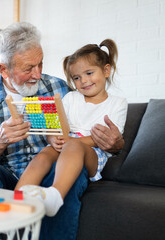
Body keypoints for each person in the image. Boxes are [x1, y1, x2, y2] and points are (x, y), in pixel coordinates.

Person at [0, 22, 124, 240]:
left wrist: (115, 143)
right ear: (4, 69)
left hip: (51, 178)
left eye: (40, 64)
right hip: (9, 179)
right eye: (29, 68)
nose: (37, 74)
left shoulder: (59, 89)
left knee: (71, 169)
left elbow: (85, 127)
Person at [15, 39, 128, 217]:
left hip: (92, 151)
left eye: (89, 73)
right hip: (66, 142)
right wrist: (52, 138)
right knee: (43, 155)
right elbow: (57, 126)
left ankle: (55, 195)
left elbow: (105, 139)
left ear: (106, 70)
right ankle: (17, 197)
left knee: (73, 146)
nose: (83, 81)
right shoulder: (70, 98)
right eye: (77, 77)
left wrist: (72, 141)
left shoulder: (117, 103)